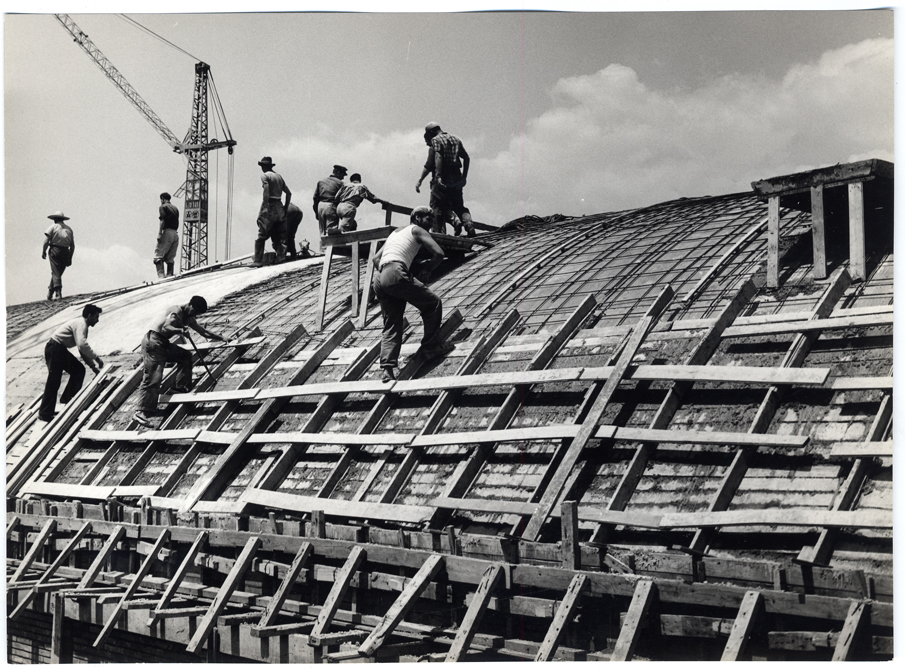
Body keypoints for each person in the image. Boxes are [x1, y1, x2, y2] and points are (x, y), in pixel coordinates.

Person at [371, 206, 453, 383]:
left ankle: (387, 369)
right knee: (433, 304)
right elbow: (439, 253)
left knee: (392, 323)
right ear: (417, 218)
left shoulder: (395, 234)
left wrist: (387, 273)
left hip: (380, 278)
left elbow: (375, 259)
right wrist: (427, 269)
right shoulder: (417, 230)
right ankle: (431, 347)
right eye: (428, 219)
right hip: (395, 272)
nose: (431, 224)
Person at [134, 295, 226, 427]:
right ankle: (140, 412)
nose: (195, 315)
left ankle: (179, 388)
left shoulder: (189, 317)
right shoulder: (176, 311)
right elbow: (166, 327)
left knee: (185, 356)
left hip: (163, 343)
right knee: (154, 376)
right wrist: (181, 330)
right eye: (195, 311)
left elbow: (203, 332)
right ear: (190, 305)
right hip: (153, 342)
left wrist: (221, 337)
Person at [38, 304, 104, 422]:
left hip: (57, 349)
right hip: (54, 348)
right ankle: (45, 413)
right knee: (54, 380)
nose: (97, 320)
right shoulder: (81, 324)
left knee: (78, 370)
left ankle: (66, 400)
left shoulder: (82, 325)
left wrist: (93, 367)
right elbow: (82, 345)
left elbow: (82, 350)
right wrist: (97, 359)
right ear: (89, 316)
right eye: (96, 317)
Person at [415, 122, 475, 237]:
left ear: (431, 132)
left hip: (443, 176)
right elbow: (466, 157)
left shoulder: (436, 140)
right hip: (456, 176)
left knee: (437, 208)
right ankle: (468, 224)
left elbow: (438, 157)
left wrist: (438, 176)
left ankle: (440, 235)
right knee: (459, 206)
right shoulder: (456, 139)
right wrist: (464, 177)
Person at [253, 156, 292, 267]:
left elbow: (266, 190)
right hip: (279, 205)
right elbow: (289, 193)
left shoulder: (265, 176)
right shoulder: (279, 176)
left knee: (262, 234)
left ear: (264, 166)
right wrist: (285, 207)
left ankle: (258, 260)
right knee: (280, 234)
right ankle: (281, 257)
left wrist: (266, 206)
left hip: (270, 205)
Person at [42, 211, 75, 300]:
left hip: (55, 250)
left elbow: (46, 241)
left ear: (55, 219)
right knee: (58, 272)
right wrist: (70, 257)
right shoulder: (69, 229)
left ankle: (58, 294)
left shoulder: (53, 227)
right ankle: (50, 292)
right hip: (65, 252)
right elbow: (72, 246)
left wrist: (44, 251)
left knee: (56, 272)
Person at [313, 165, 347, 237]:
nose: (343, 177)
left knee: (322, 232)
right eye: (342, 174)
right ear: (337, 172)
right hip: (331, 206)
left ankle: (322, 248)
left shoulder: (321, 181)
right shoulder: (341, 183)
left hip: (320, 206)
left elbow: (315, 198)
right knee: (331, 232)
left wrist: (316, 212)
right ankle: (329, 248)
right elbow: (343, 199)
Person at [154, 192, 180, 279]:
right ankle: (170, 276)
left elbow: (162, 220)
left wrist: (159, 233)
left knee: (158, 255)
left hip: (167, 232)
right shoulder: (175, 208)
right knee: (170, 258)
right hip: (175, 234)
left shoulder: (163, 207)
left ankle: (161, 277)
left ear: (163, 199)